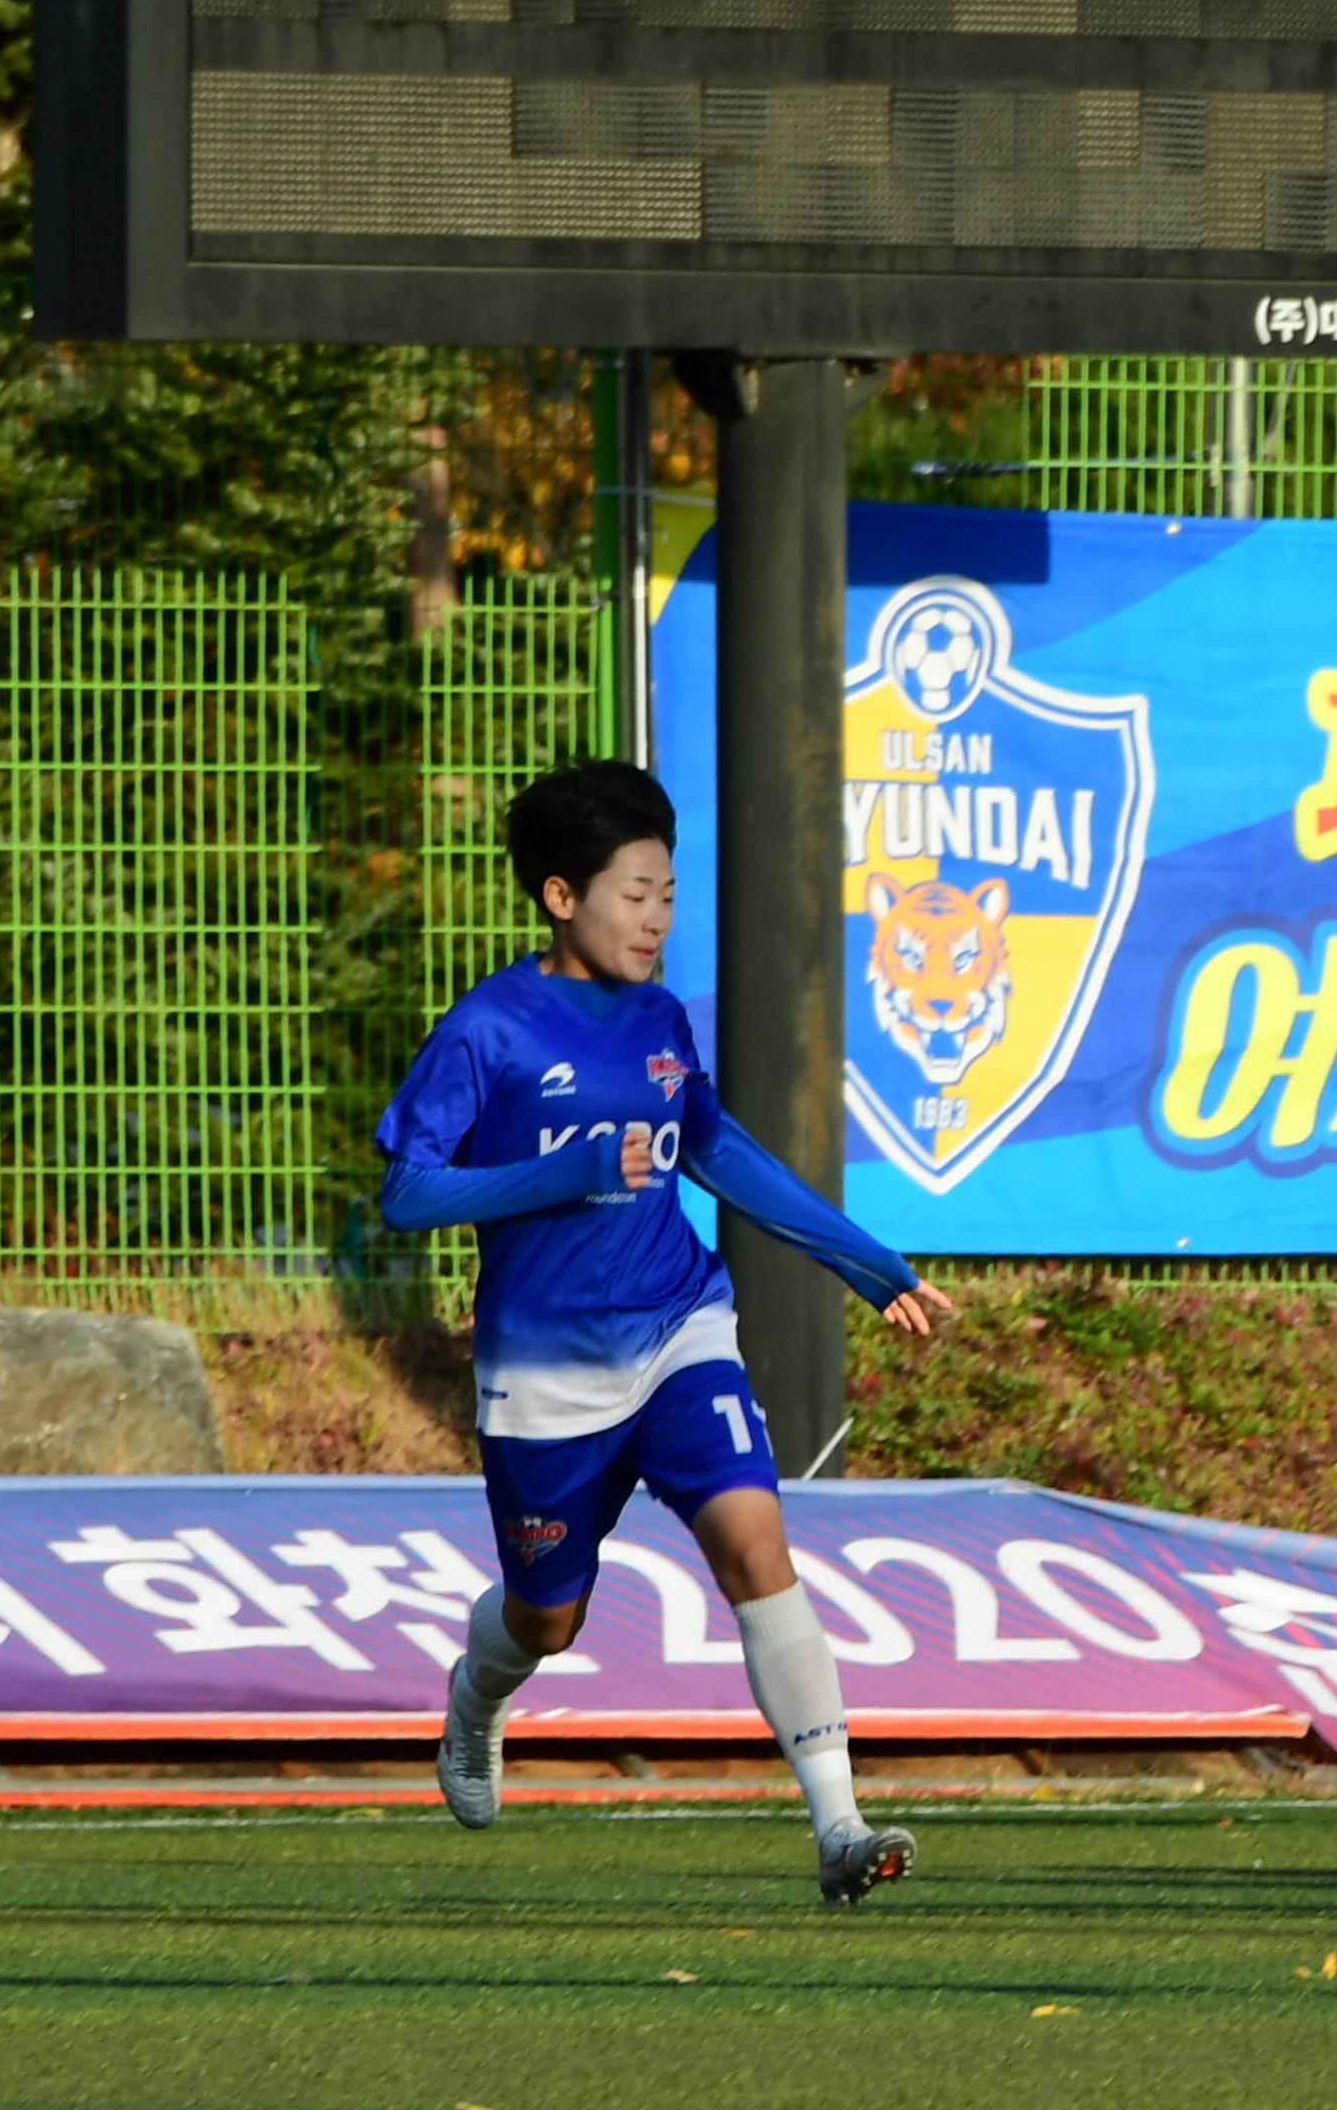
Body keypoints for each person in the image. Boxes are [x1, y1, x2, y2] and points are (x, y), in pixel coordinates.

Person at [379, 758, 953, 1905]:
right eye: (634, 892)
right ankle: (476, 1702)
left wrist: (865, 1260)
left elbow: (719, 1150)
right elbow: (409, 1192)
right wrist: (566, 1172)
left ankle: (840, 1827)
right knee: (548, 1615)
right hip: (544, 1372)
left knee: (756, 1543)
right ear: (559, 896)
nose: (655, 917)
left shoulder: (658, 1018)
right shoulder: (487, 1029)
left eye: (669, 894)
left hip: (678, 1325)